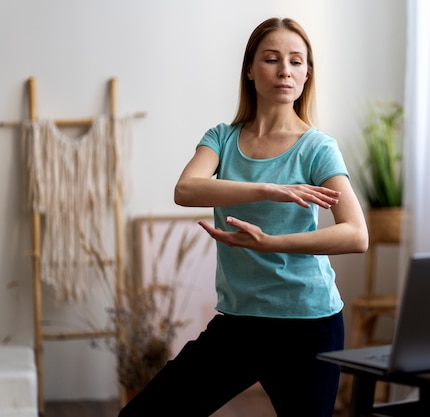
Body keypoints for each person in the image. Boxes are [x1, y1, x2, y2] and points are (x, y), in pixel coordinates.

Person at [118, 16, 368, 417]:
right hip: (241, 322)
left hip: (308, 321)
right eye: (272, 59)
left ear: (306, 74)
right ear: (250, 70)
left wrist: (271, 243)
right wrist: (271, 188)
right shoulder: (222, 138)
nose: (285, 70)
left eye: (296, 61)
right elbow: (186, 189)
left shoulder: (318, 148)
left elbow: (356, 235)